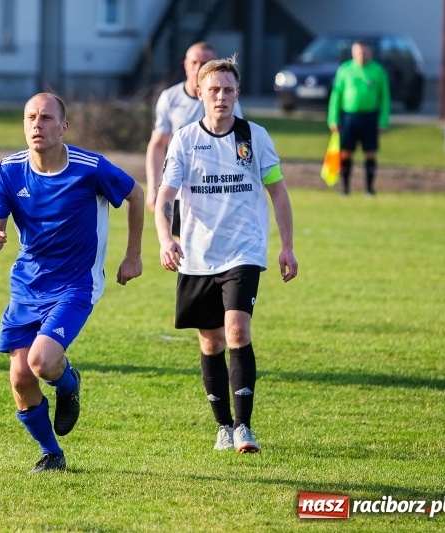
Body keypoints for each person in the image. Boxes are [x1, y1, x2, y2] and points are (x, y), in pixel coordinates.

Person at [0, 92, 144, 473]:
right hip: (28, 284)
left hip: (77, 283)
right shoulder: (7, 171)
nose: (37, 125)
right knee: (21, 377)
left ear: (63, 126)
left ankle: (68, 383)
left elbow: (136, 194)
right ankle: (51, 453)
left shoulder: (90, 168)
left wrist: (133, 255)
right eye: (30, 117)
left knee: (41, 362)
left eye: (46, 118)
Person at [154, 57, 297, 454]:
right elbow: (165, 196)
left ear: (237, 94)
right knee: (211, 342)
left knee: (236, 330)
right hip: (197, 255)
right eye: (213, 89)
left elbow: (278, 192)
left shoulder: (254, 137)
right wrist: (167, 239)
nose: (221, 97)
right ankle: (222, 426)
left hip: (243, 251)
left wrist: (287, 246)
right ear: (200, 92)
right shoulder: (184, 139)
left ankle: (244, 427)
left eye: (228, 90)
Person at [145, 41, 243, 233]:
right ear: (186, 64)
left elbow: (237, 142)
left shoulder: (226, 100)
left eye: (205, 63)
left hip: (213, 187)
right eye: (194, 62)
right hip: (179, 187)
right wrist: (152, 187)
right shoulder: (170, 98)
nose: (199, 68)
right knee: (181, 252)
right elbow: (157, 144)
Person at [327, 40, 390, 196]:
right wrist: (333, 119)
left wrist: (383, 121)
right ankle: (345, 188)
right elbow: (336, 96)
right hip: (349, 116)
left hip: (370, 117)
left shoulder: (378, 71)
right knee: (346, 152)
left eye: (365, 52)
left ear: (370, 53)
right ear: (353, 53)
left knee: (370, 152)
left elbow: (385, 98)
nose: (362, 55)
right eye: (359, 52)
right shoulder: (345, 70)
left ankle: (369, 189)